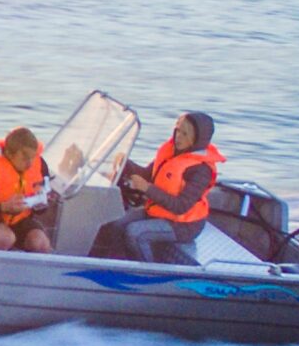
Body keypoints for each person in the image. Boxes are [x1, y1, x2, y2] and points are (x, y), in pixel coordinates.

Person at [92, 111, 224, 265]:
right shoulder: (172, 153)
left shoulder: (201, 170)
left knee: (135, 233)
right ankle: (108, 264)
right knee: (116, 222)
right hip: (157, 213)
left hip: (183, 226)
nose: (178, 137)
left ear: (198, 139)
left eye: (185, 134)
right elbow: (147, 175)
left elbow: (181, 206)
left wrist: (148, 189)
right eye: (177, 130)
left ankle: (148, 274)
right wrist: (126, 163)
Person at [0, 127, 54, 252]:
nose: (29, 164)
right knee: (5, 238)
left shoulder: (40, 165)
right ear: (9, 154)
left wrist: (41, 203)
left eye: (32, 157)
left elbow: (43, 208)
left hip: (22, 220)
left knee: (40, 243)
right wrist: (3, 207)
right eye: (24, 158)